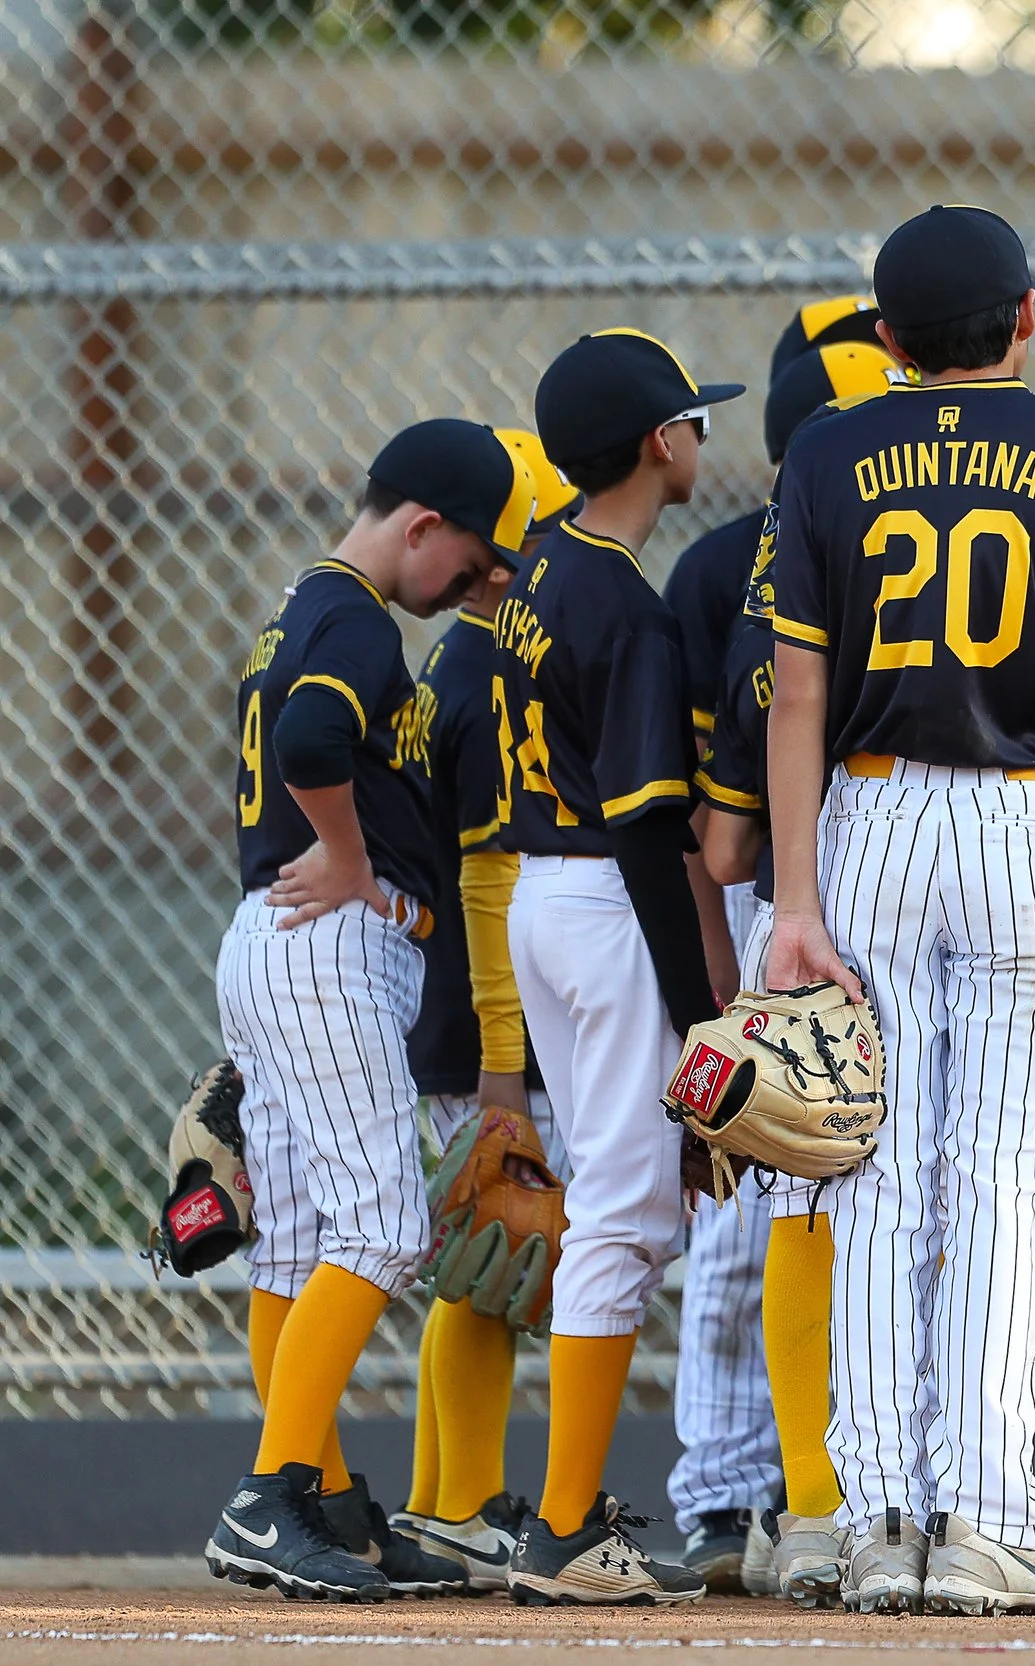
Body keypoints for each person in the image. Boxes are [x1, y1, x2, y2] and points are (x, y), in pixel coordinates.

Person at [764, 205, 1035, 1616]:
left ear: (882, 341)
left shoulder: (823, 449)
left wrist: (794, 903)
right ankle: (983, 1518)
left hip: (867, 811)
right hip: (1025, 812)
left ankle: (872, 1521)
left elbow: (795, 693)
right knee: (993, 1177)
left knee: (870, 1175)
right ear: (1027, 318)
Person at [206, 418, 532, 1602]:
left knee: (295, 1240)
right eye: (477, 558)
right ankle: (271, 1492)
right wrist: (344, 854)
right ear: (421, 524)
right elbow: (308, 736)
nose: (481, 584)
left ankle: (328, 1504)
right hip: (329, 932)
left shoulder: (301, 602)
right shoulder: (354, 612)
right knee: (386, 1224)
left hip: (278, 939)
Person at [493, 328, 743, 1605]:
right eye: (693, 418)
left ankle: (565, 1509)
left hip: (544, 894)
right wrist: (706, 1024)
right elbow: (652, 831)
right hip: (604, 899)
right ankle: (565, 1524)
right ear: (660, 442)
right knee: (630, 1212)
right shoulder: (629, 607)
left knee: (612, 1196)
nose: (704, 435)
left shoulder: (542, 566)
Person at [664, 332, 901, 1593]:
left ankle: (858, 1481)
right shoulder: (719, 573)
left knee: (880, 1211)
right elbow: (713, 818)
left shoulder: (903, 562)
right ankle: (720, 1491)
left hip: (893, 899)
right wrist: (717, 958)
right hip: (775, 910)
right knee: (748, 1223)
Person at [394, 428, 580, 1592]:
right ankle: (456, 1501)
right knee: (492, 1257)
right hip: (487, 1016)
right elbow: (486, 874)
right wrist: (507, 1062)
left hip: (470, 1002)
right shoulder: (486, 670)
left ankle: (435, 1501)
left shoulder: (462, 663)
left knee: (487, 1259)